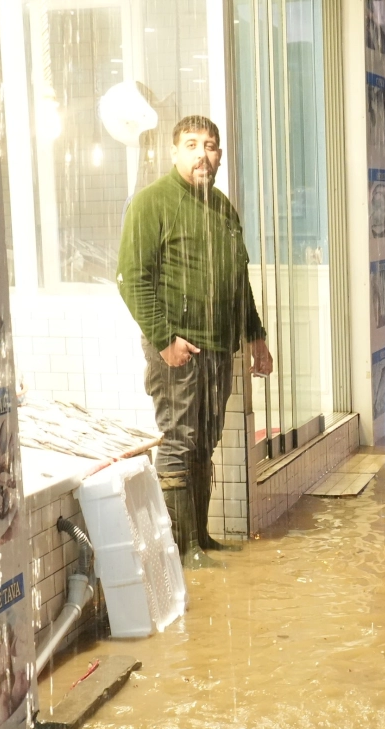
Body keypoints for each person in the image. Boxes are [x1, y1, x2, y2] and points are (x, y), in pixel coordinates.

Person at [117, 115, 273, 566]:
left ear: (220, 155)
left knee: (206, 441)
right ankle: (179, 551)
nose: (203, 154)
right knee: (180, 441)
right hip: (178, 351)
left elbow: (237, 280)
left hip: (219, 349)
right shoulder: (152, 203)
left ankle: (200, 539)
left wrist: (256, 335)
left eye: (211, 145)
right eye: (192, 145)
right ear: (174, 152)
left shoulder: (223, 208)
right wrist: (165, 339)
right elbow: (131, 278)